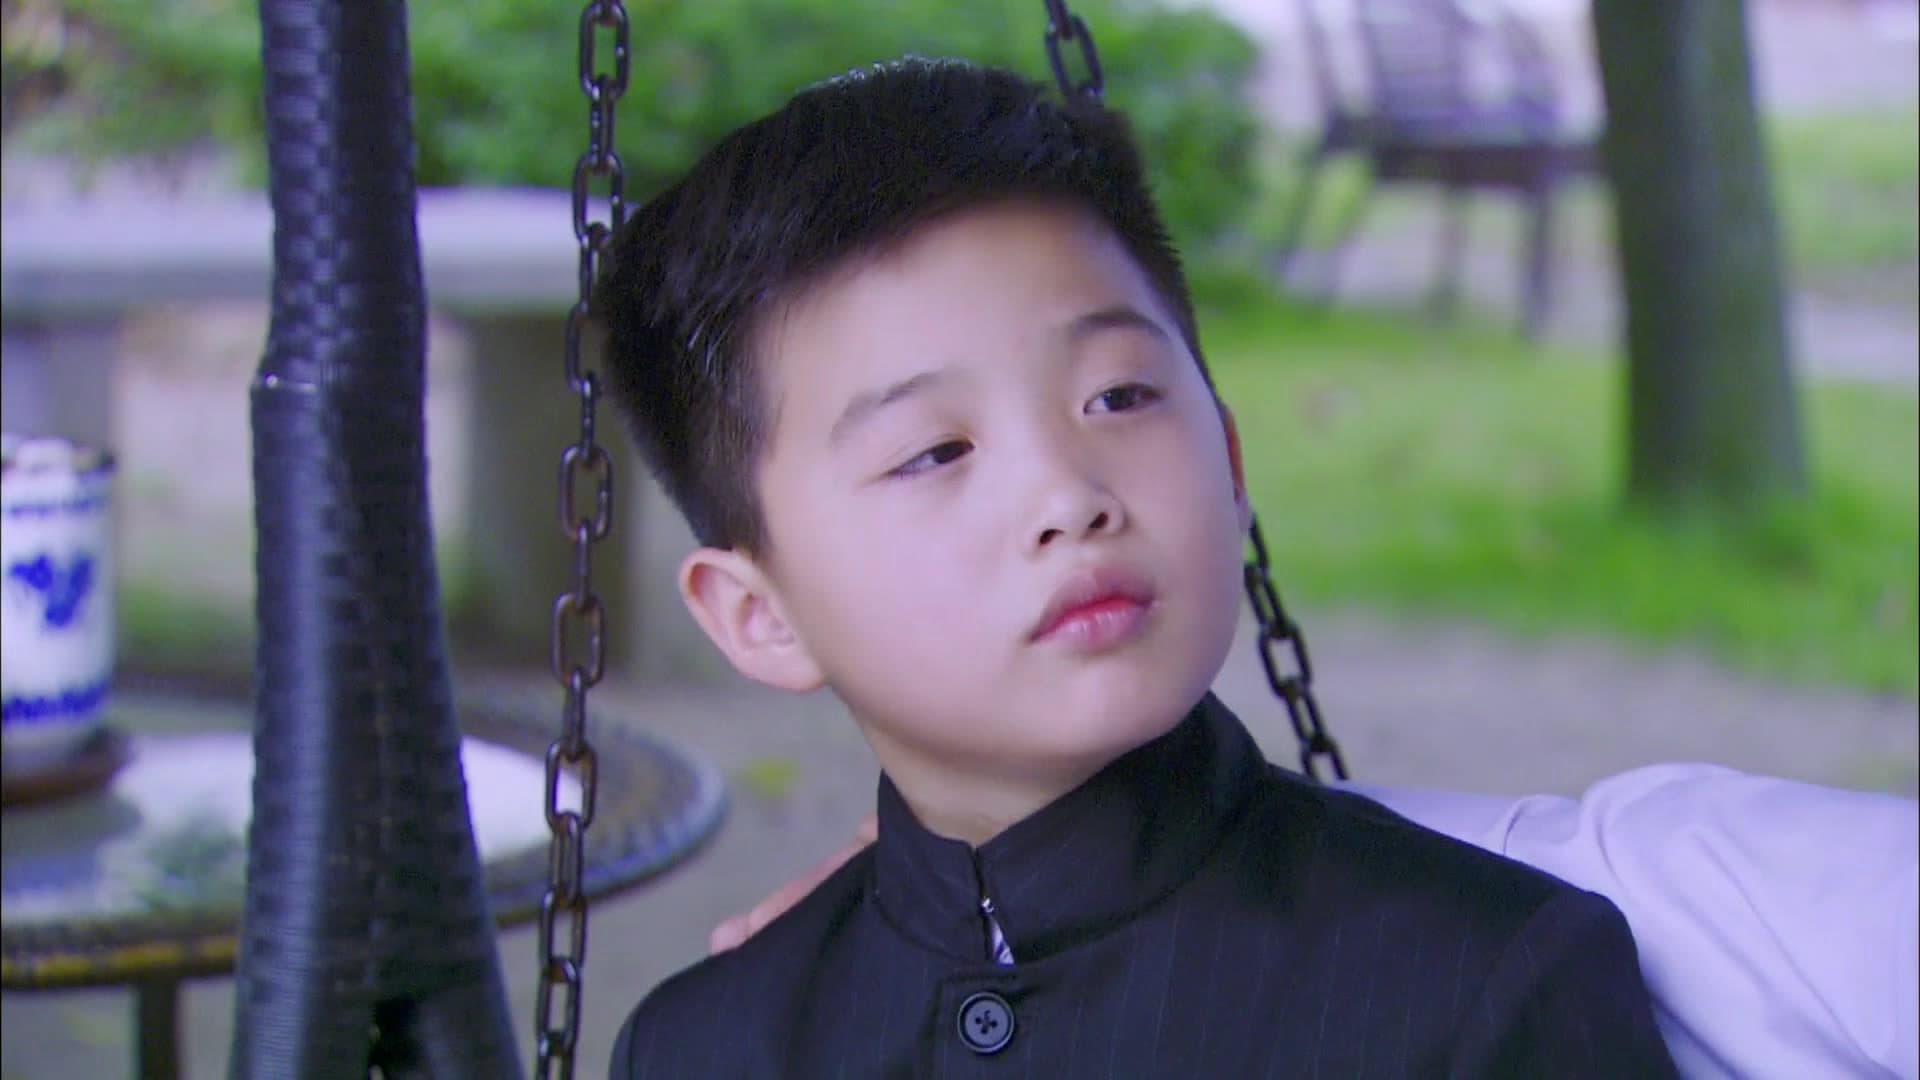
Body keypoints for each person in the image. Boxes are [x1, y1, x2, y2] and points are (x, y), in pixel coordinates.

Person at [597, 56, 1678, 1077]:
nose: (1069, 497)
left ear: (1230, 460)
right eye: (936, 452)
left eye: (1118, 396)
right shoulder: (705, 1046)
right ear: (761, 616)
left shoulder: (1477, 980)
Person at [716, 766, 1920, 1079]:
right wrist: (1034, 872)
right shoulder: (709, 1034)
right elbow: (1738, 907)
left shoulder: (1519, 970)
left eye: (1124, 395)